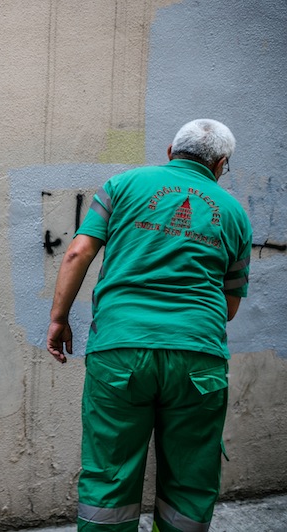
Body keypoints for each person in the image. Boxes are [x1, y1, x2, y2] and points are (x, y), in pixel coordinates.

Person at [46, 119, 252, 532]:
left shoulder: (121, 186)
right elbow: (229, 308)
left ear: (171, 151)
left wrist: (58, 319)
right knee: (190, 480)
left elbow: (77, 253)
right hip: (198, 357)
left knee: (109, 473)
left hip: (120, 350)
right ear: (220, 164)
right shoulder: (234, 214)